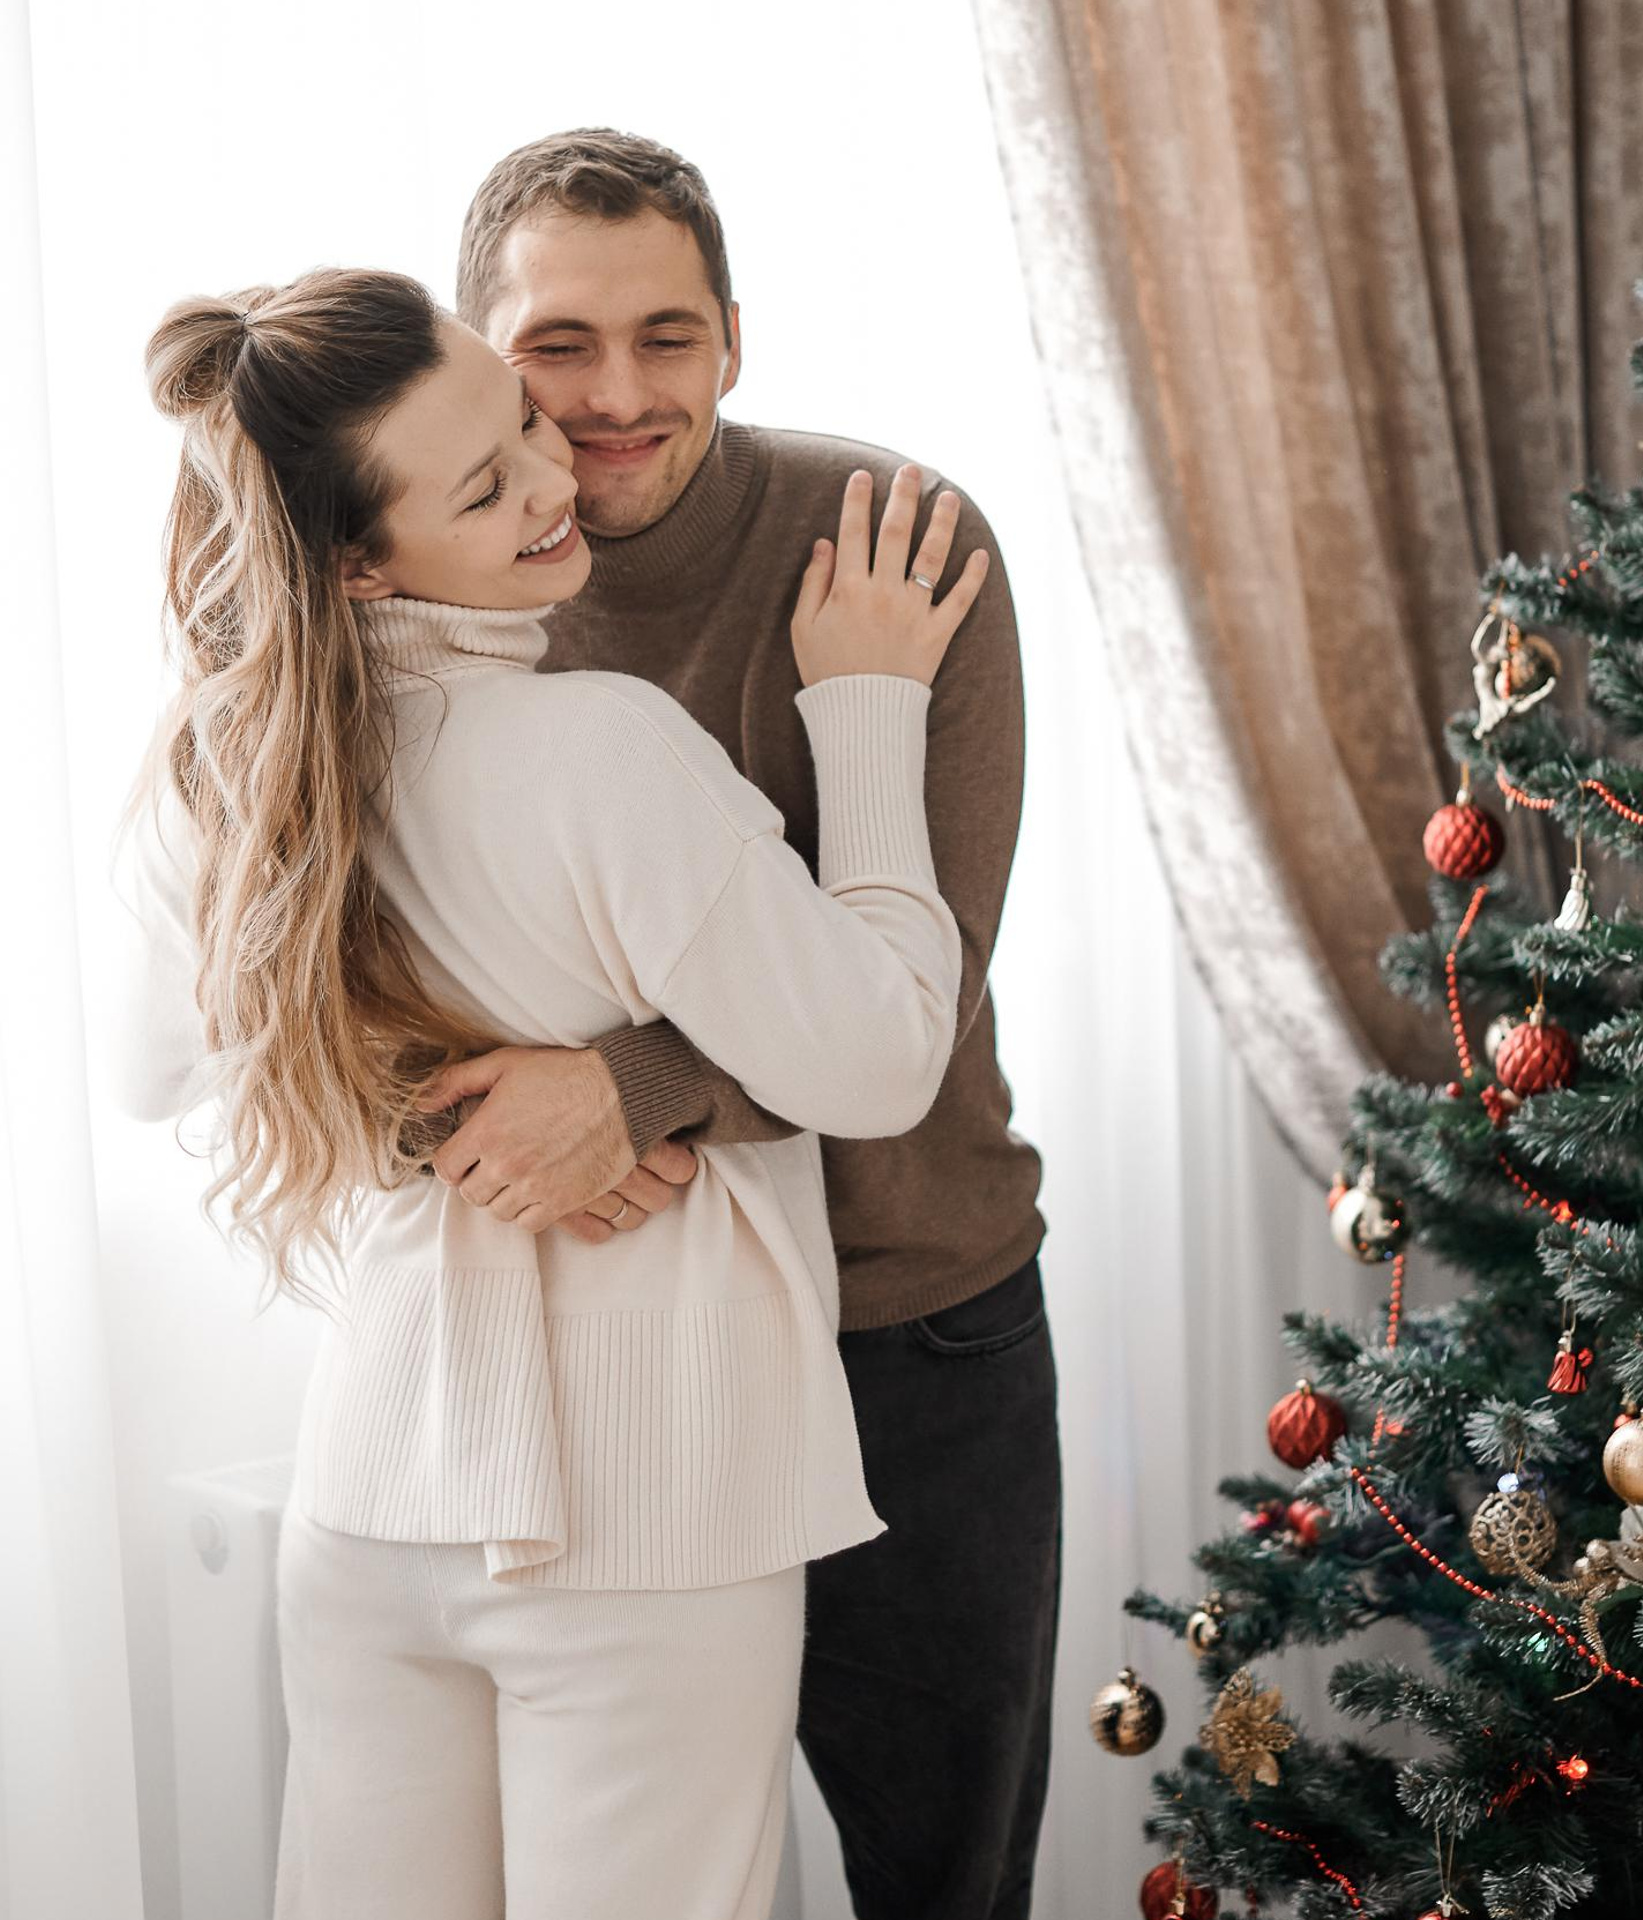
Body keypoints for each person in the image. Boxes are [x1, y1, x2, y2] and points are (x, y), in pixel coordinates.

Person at [114, 264, 992, 1920]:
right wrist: (869, 709)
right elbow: (881, 1057)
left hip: (373, 1494)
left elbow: (158, 1069)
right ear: (359, 562)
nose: (551, 476)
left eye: (521, 421)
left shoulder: (227, 762)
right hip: (651, 1503)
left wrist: (427, 1101)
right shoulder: (600, 749)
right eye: (482, 484)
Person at [420, 129, 1056, 1920]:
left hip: (910, 1326)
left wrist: (625, 1090)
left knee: (946, 1882)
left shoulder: (900, 542)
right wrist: (451, 1115)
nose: (618, 396)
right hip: (626, 1350)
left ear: (734, 339)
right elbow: (362, 952)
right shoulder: (432, 579)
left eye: (667, 337)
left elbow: (920, 978)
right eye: (557, 346)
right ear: (479, 359)